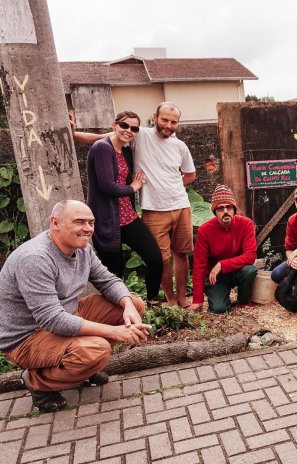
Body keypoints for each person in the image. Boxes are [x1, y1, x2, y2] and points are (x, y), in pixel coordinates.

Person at [0, 200, 149, 413]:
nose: (87, 228)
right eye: (79, 222)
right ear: (55, 223)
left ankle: (82, 368)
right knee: (96, 351)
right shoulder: (35, 258)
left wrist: (128, 305)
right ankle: (37, 381)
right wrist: (115, 332)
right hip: (27, 337)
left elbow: (107, 280)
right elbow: (52, 319)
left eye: (91, 222)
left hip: (65, 315)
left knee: (133, 303)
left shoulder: (83, 250)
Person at [72, 102, 197, 308]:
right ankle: (164, 301)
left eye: (173, 122)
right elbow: (101, 141)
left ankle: (170, 300)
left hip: (165, 207)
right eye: (164, 119)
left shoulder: (177, 145)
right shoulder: (138, 137)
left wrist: (170, 185)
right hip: (138, 211)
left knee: (173, 255)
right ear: (155, 116)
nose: (168, 125)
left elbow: (190, 174)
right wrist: (75, 134)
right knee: (155, 259)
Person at [86, 111, 163, 303]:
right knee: (114, 271)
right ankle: (119, 311)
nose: (129, 131)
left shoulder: (126, 151)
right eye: (124, 126)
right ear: (114, 125)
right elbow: (106, 186)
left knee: (154, 257)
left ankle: (152, 300)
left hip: (128, 216)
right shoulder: (102, 148)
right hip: (106, 219)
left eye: (134, 128)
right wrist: (132, 187)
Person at [190, 185, 257, 313]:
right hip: (216, 276)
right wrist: (197, 299)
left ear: (234, 209)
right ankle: (219, 296)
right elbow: (199, 265)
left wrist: (222, 264)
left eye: (229, 207)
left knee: (250, 270)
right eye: (220, 208)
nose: (225, 211)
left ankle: (244, 300)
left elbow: (250, 256)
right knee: (218, 308)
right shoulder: (204, 230)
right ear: (215, 211)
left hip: (238, 270)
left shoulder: (246, 224)